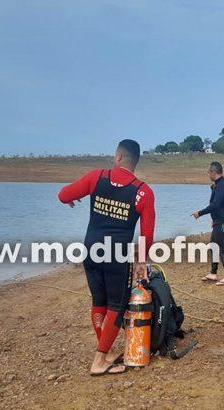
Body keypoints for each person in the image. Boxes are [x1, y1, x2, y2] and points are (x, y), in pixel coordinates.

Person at [57, 139, 155, 376]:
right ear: (135, 162)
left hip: (91, 249)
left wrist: (71, 198)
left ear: (118, 156)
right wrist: (141, 260)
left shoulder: (96, 177)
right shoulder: (143, 191)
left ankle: (106, 350)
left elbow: (62, 195)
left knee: (98, 302)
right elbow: (147, 231)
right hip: (116, 254)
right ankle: (100, 360)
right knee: (116, 306)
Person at [192, 161, 224, 285]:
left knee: (222, 249)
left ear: (214, 172)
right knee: (213, 246)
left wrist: (200, 213)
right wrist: (214, 219)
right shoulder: (217, 185)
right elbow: (216, 204)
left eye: (209, 172)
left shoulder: (222, 186)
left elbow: (215, 205)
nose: (208, 174)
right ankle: (213, 273)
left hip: (223, 221)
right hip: (218, 221)